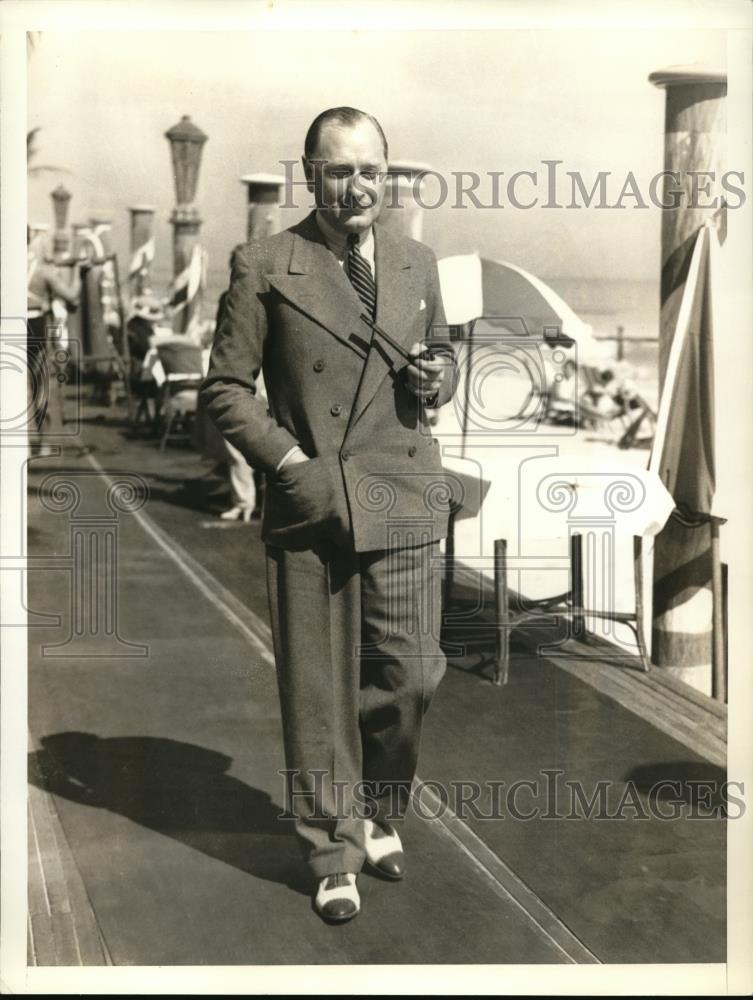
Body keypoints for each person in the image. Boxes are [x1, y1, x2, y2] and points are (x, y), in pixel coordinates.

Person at [201, 107, 457, 923]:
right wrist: (290, 464)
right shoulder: (265, 262)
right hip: (314, 499)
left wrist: (435, 378)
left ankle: (379, 807)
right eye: (339, 170)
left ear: (388, 175)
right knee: (315, 690)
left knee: (410, 676)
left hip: (405, 491)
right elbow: (225, 391)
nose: (357, 187)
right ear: (308, 174)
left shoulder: (416, 262)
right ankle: (331, 845)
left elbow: (442, 352)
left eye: (370, 171)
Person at [27, 231, 81, 455]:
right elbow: (71, 295)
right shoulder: (42, 271)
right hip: (35, 327)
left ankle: (23, 447)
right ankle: (44, 445)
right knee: (39, 388)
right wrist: (78, 270)